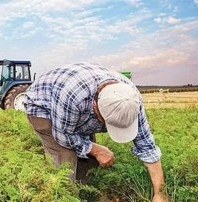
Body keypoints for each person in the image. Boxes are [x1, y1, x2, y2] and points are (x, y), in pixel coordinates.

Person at [23, 62, 167, 202]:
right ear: (96, 108)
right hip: (43, 107)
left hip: (75, 109)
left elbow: (147, 147)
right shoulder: (73, 96)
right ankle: (63, 195)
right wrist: (96, 150)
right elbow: (63, 136)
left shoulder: (131, 100)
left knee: (88, 161)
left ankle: (85, 195)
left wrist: (160, 193)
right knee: (65, 163)